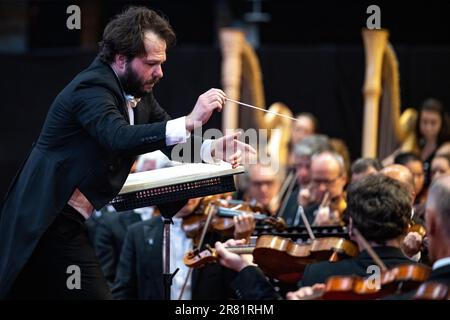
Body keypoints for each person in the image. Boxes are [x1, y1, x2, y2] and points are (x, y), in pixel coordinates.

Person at [0, 6, 255, 299]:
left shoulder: (140, 93)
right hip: (44, 221)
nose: (160, 72)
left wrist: (212, 148)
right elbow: (118, 137)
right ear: (121, 58)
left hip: (67, 224)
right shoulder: (91, 87)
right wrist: (189, 120)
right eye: (151, 63)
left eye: (162, 63)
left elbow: (168, 138)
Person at [214, 174, 418, 300]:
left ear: (351, 227)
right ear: (406, 226)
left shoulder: (320, 275)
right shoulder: (428, 279)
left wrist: (247, 269)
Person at [112, 197, 252, 300]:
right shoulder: (137, 233)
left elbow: (235, 289)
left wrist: (242, 240)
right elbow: (123, 290)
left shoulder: (217, 230)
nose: (190, 195)